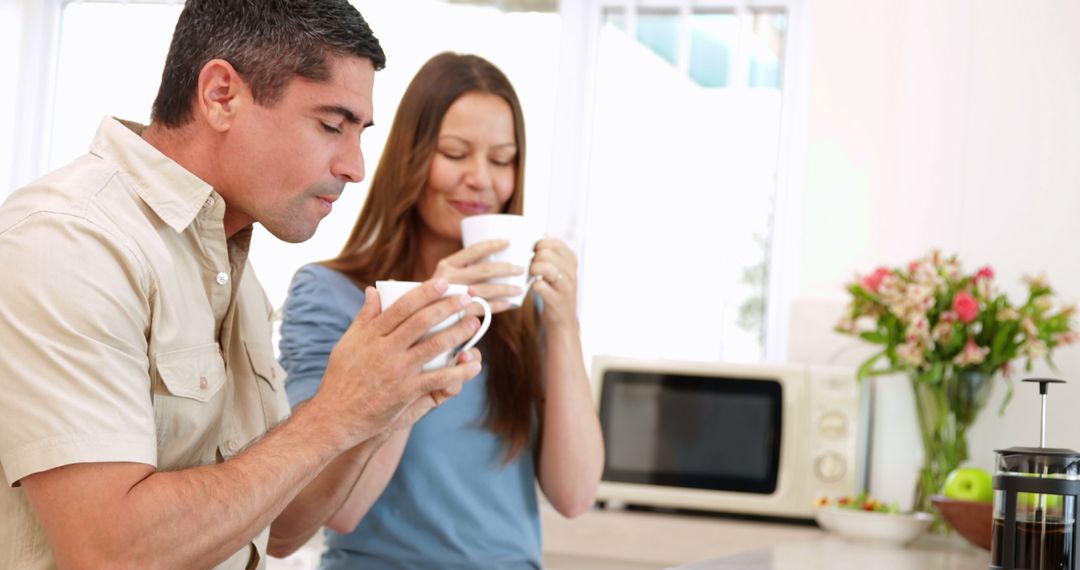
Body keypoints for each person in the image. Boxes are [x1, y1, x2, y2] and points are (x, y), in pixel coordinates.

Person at [0, 2, 484, 568]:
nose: (355, 166)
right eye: (332, 125)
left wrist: (381, 411)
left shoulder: (234, 271)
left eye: (359, 134)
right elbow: (108, 551)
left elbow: (278, 528)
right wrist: (335, 413)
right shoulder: (70, 242)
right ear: (220, 95)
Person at [279, 52, 605, 569]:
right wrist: (431, 313)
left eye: (502, 160)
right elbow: (339, 509)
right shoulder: (332, 294)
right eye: (456, 153)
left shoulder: (523, 308)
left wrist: (564, 325)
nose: (481, 179)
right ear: (411, 156)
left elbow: (575, 494)